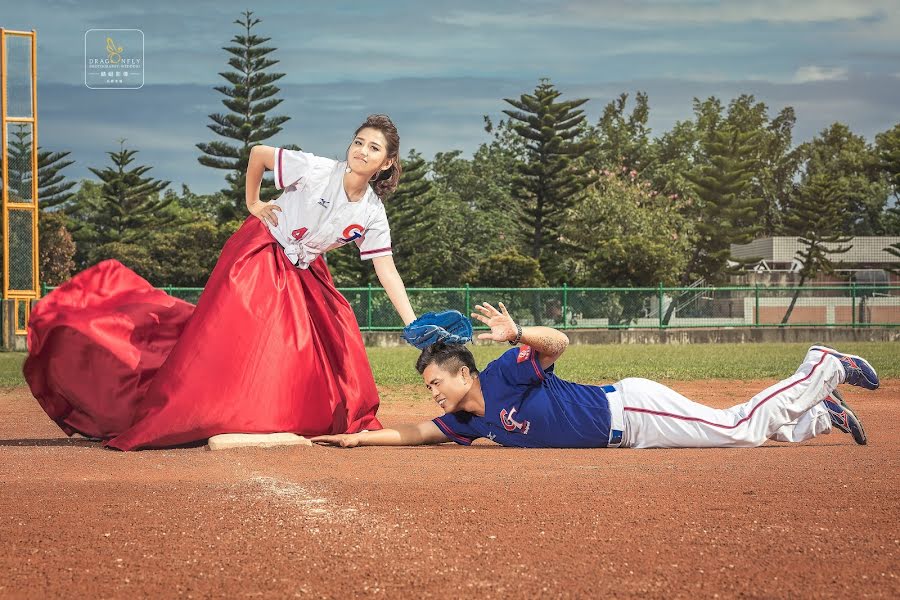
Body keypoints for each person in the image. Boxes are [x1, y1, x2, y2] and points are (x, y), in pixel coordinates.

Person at [25, 114, 418, 450]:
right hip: (262, 250)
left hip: (305, 269)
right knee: (241, 340)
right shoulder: (317, 169)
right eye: (359, 142)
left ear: (387, 163)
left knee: (339, 329)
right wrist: (253, 202)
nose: (362, 151)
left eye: (374, 148)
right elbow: (259, 154)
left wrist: (411, 323)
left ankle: (287, 409)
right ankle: (196, 402)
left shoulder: (372, 212)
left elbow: (386, 269)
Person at [312, 302, 876, 449]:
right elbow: (413, 433)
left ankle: (820, 367)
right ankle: (821, 416)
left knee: (736, 427)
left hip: (628, 410)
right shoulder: (470, 423)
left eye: (436, 380)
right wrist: (358, 438)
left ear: (463, 371)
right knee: (735, 433)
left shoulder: (508, 371)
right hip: (632, 435)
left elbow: (560, 344)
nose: (431, 391)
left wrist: (517, 335)